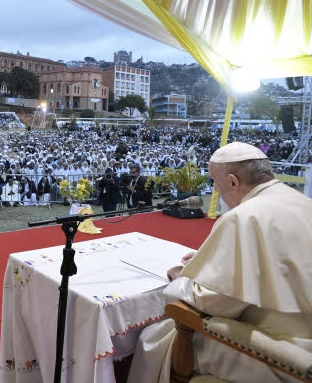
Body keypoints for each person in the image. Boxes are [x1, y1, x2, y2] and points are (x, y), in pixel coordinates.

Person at [128, 142, 312, 383]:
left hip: (284, 348)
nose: (215, 189)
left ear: (233, 182)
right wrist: (213, 258)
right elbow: (279, 261)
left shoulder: (242, 217)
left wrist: (181, 279)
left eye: (216, 182)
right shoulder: (300, 200)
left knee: (153, 338)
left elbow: (214, 302)